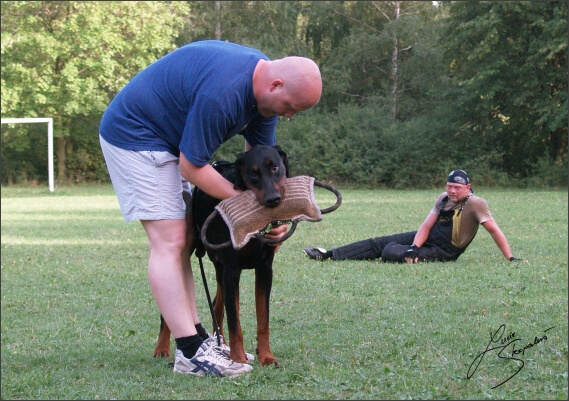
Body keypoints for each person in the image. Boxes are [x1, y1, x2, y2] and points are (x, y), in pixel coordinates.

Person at [99, 40, 322, 377]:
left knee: (186, 237)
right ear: (275, 85)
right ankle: (191, 353)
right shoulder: (224, 94)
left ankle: (200, 341)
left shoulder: (259, 93)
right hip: (135, 135)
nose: (288, 115)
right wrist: (247, 208)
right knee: (171, 241)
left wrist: (272, 217)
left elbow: (257, 161)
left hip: (167, 140)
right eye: (290, 106)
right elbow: (192, 167)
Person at [304, 169, 523, 264]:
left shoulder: (476, 203)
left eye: (457, 187)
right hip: (429, 239)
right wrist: (414, 247)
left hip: (445, 251)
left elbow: (494, 230)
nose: (452, 191)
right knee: (378, 242)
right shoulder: (442, 198)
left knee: (389, 250)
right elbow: (426, 226)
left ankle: (402, 254)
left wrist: (510, 258)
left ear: (468, 187)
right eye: (449, 186)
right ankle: (330, 254)